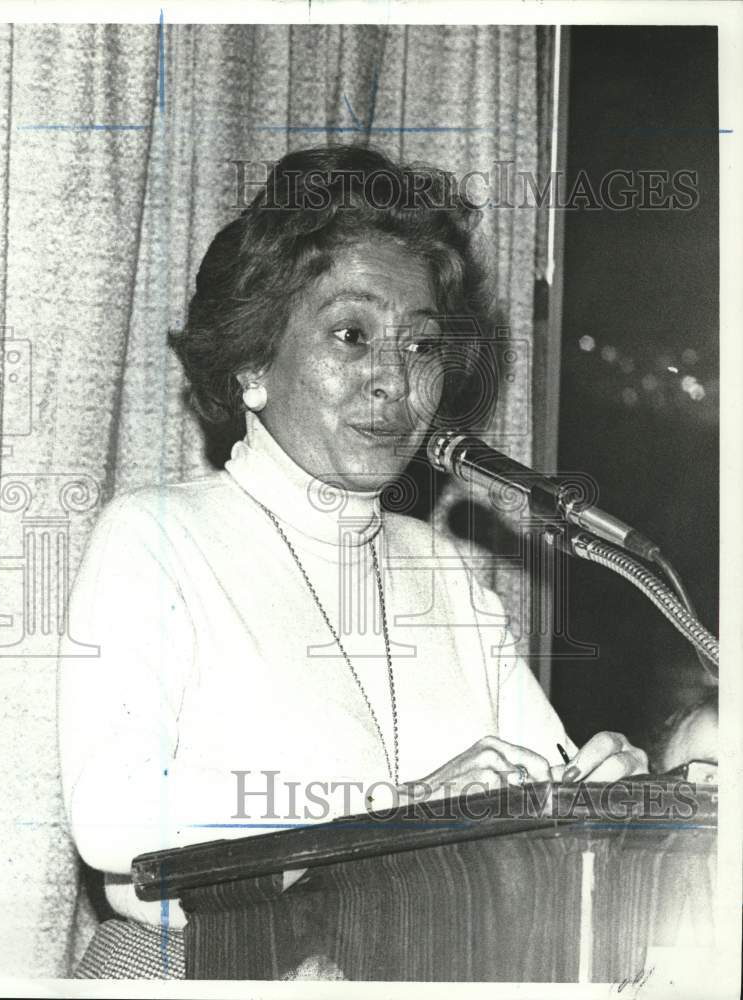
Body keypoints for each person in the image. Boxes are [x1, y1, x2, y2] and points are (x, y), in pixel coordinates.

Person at [57, 145, 648, 978]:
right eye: (351, 334)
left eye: (421, 346)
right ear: (252, 362)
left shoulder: (444, 569)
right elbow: (112, 811)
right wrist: (389, 811)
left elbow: (542, 798)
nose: (393, 381)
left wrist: (607, 792)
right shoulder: (155, 536)